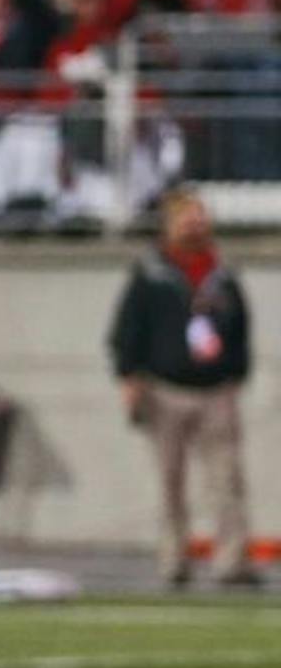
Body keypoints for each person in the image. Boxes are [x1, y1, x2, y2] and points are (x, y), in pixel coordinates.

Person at [109, 186, 257, 589]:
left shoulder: (222, 271)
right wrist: (129, 376)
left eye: (200, 217)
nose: (195, 225)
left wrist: (236, 371)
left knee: (227, 480)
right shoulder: (151, 271)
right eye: (187, 218)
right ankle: (174, 560)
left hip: (215, 389)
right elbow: (128, 329)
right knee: (169, 482)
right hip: (165, 388)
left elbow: (241, 326)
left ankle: (231, 562)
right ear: (170, 224)